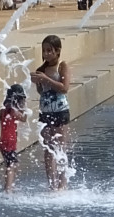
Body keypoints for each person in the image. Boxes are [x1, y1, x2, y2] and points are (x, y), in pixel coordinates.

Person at [30, 34, 71, 190]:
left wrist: (46, 79)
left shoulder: (62, 66)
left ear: (57, 51)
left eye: (49, 51)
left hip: (60, 111)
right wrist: (38, 82)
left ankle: (63, 183)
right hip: (45, 111)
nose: (46, 54)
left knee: (60, 147)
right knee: (48, 148)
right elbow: (42, 92)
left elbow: (64, 88)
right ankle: (52, 184)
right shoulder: (41, 69)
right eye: (44, 51)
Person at [0, 83, 26, 193]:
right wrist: (24, 106)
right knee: (12, 165)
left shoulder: (3, 111)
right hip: (10, 141)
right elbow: (24, 118)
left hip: (3, 141)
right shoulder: (14, 112)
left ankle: (8, 186)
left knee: (10, 164)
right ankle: (8, 189)